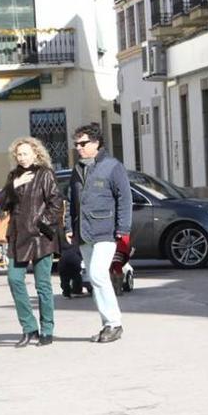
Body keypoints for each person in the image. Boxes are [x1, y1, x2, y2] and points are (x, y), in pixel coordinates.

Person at [66, 124, 131, 343]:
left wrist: (123, 229)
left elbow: (124, 198)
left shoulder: (113, 166)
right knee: (95, 279)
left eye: (83, 143)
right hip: (83, 231)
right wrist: (69, 227)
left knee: (97, 274)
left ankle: (115, 323)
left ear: (96, 143)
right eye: (76, 144)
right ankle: (107, 325)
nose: (79, 148)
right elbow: (71, 200)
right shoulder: (77, 168)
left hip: (105, 230)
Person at [0, 137, 64, 348]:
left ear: (36, 154)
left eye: (26, 153)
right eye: (19, 154)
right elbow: (2, 204)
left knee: (43, 285)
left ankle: (47, 329)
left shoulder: (45, 174)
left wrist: (40, 225)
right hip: (18, 236)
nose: (22, 157)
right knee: (14, 279)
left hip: (39, 238)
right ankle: (29, 327)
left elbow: (55, 204)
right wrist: (13, 186)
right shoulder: (13, 176)